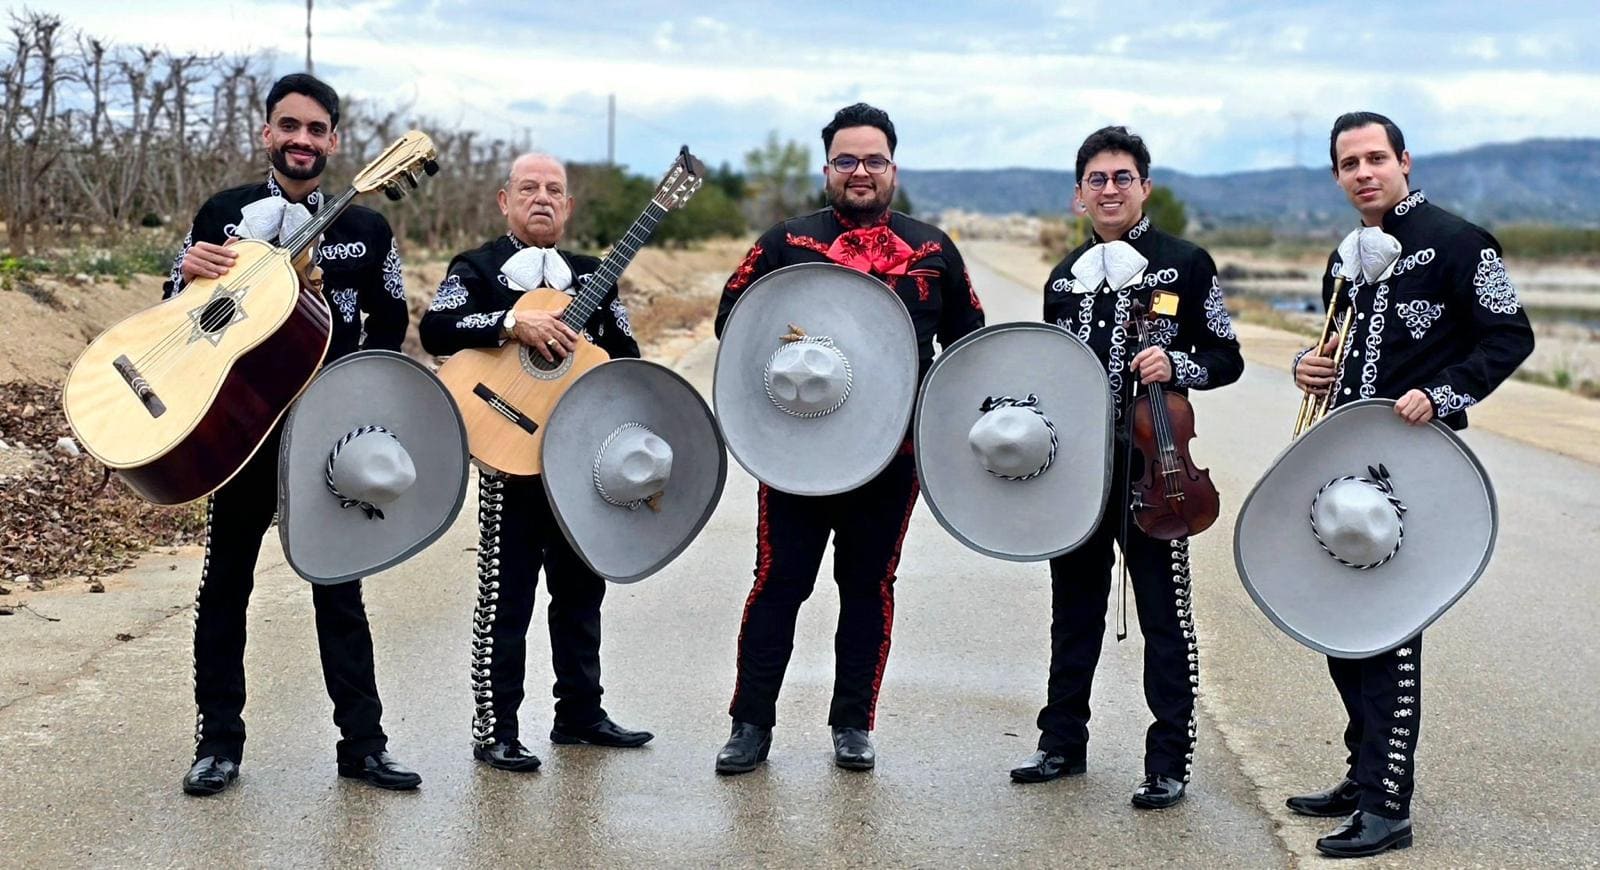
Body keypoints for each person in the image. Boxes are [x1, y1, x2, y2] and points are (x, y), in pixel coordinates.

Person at [1287, 111, 1534, 858]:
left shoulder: (1462, 243)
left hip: (1413, 474)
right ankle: (1365, 776)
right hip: (1340, 468)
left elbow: (1510, 334)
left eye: (1375, 158)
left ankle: (1388, 806)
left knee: (1389, 636)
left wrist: (1447, 391)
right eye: (1348, 163)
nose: (1363, 172)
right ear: (1336, 176)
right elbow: (1337, 346)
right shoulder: (1345, 258)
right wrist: (1309, 364)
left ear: (1403, 161)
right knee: (1342, 631)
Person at [712, 102, 985, 775]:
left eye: (873, 160)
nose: (859, 172)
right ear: (827, 168)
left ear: (893, 168)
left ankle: (852, 724)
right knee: (779, 584)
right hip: (796, 450)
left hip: (892, 459)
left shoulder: (932, 251)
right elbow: (732, 322)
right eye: (846, 160)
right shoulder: (784, 245)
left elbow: (970, 345)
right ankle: (750, 724)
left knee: (869, 587)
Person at [168, 72, 417, 796]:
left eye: (316, 129)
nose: (302, 140)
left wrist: (360, 402)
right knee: (227, 584)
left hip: (328, 435)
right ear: (266, 133)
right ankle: (218, 744)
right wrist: (184, 273)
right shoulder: (224, 214)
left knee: (339, 588)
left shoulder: (367, 227)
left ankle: (363, 747)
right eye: (289, 126)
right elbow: (176, 315)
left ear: (334, 141)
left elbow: (392, 323)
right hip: (242, 427)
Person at [1017, 125, 1243, 809]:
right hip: (1079, 475)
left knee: (1165, 617)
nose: (1109, 189)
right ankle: (1062, 743)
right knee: (1073, 612)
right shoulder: (1063, 279)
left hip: (1160, 471)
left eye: (1122, 178)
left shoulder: (1186, 264)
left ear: (1145, 187)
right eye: (1097, 179)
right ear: (1078, 195)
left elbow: (1227, 358)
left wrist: (1179, 365)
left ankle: (1168, 760)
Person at [419, 152, 652, 774]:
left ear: (569, 207)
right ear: (505, 200)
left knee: (581, 590)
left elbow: (626, 354)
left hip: (578, 460)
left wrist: (586, 349)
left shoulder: (593, 274)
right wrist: (510, 323)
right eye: (529, 188)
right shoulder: (476, 267)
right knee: (507, 598)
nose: (542, 198)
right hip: (507, 456)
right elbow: (437, 329)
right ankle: (496, 728)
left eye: (554, 189)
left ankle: (580, 713)